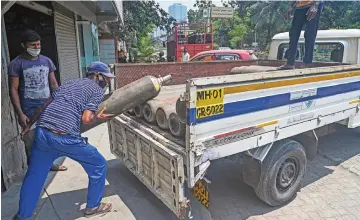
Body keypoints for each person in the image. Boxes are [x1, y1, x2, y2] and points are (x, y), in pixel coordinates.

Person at [13, 61, 116, 220]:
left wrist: (29, 126)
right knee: (98, 164)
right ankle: (93, 207)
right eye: (106, 78)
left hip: (43, 133)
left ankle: (22, 216)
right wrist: (98, 116)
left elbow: (45, 104)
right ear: (96, 76)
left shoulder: (70, 83)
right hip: (65, 137)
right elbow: (86, 118)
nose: (107, 82)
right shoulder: (96, 90)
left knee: (34, 177)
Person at [8, 29, 67, 172]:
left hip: (47, 105)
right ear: (24, 45)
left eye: (38, 44)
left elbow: (53, 84)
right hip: (28, 109)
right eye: (33, 45)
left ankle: (49, 164)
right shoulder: (16, 64)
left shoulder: (46, 61)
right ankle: (35, 168)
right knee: (31, 139)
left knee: (49, 136)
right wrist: (20, 113)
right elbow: (13, 89)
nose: (36, 48)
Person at [278, 1, 324, 70]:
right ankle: (290, 63)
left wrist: (315, 4)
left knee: (310, 34)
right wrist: (291, 7)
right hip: (299, 7)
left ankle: (307, 63)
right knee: (293, 34)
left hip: (312, 5)